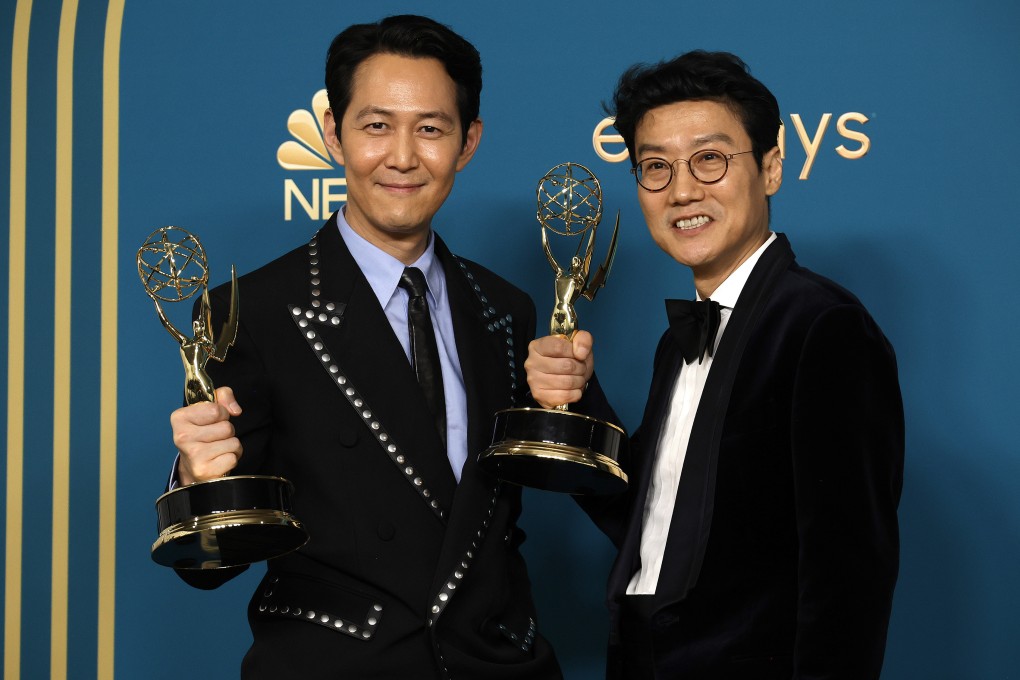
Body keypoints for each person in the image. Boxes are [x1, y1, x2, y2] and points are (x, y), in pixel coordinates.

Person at [168, 15, 561, 679]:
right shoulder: (248, 313)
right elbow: (209, 570)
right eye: (376, 125)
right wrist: (198, 482)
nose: (403, 156)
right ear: (333, 134)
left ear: (468, 142)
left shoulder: (508, 309)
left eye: (430, 129)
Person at [526, 51, 904, 679]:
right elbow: (651, 518)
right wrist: (576, 399)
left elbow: (849, 575)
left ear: (772, 167)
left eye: (709, 159)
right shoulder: (680, 341)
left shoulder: (822, 326)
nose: (681, 190)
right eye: (655, 167)